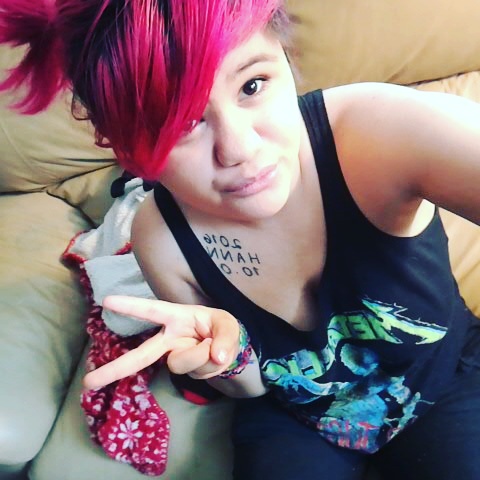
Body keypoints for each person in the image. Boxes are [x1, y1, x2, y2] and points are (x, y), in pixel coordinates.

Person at [1, 1, 480, 479]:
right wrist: (225, 359)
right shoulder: (162, 241)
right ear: (124, 145)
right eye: (184, 122)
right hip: (299, 421)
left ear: (285, 59)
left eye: (253, 85)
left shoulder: (377, 131)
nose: (240, 149)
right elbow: (251, 386)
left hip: (448, 381)